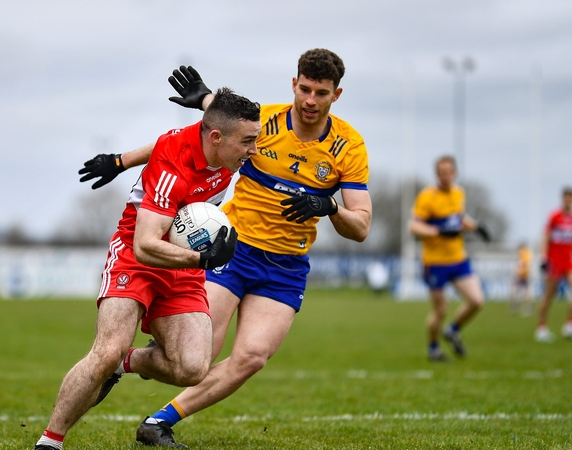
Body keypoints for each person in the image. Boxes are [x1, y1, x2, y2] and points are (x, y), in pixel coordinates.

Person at [78, 49, 372, 448]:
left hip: (286, 267)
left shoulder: (348, 147)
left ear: (336, 95)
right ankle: (123, 360)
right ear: (293, 84)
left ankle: (157, 421)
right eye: (304, 89)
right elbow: (187, 138)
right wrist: (120, 160)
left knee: (251, 357)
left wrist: (330, 205)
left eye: (321, 93)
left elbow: (361, 227)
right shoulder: (263, 122)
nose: (309, 100)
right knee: (197, 354)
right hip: (231, 250)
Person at [34, 87, 260, 450]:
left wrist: (121, 161)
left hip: (181, 264)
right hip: (137, 257)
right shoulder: (174, 169)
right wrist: (203, 259)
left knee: (192, 367)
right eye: (248, 142)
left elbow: (170, 137)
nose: (254, 150)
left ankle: (123, 364)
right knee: (106, 349)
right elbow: (146, 244)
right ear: (216, 138)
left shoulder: (219, 145)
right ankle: (50, 441)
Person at [409, 155, 491, 361]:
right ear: (437, 174)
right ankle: (433, 348)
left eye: (449, 172)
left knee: (477, 300)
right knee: (441, 310)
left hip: (458, 258)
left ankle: (453, 330)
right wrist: (437, 231)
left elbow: (459, 218)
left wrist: (477, 227)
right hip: (435, 262)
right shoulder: (427, 197)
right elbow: (414, 226)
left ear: (455, 173)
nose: (445, 176)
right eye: (441, 172)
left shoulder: (458, 193)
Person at [535, 187, 572, 343]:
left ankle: (570, 325)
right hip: (554, 261)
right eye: (566, 198)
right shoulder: (554, 217)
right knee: (549, 296)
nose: (568, 201)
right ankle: (541, 327)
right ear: (562, 199)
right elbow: (545, 237)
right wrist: (543, 257)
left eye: (571, 198)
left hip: (569, 261)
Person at [510, 242, 533, 316]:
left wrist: (519, 271)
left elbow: (524, 264)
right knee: (522, 292)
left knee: (523, 293)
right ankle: (522, 307)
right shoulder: (526, 254)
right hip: (523, 275)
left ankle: (524, 308)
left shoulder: (524, 254)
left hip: (523, 276)